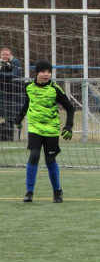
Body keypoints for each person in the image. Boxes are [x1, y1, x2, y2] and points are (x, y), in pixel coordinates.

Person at [15, 60, 75, 203]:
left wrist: (68, 126)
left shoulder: (55, 89)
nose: (46, 74)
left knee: (50, 160)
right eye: (43, 71)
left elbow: (70, 108)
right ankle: (29, 192)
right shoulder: (28, 86)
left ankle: (57, 191)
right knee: (34, 155)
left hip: (51, 129)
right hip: (34, 128)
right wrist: (19, 118)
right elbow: (28, 103)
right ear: (37, 73)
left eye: (49, 72)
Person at [1, 47, 23, 123]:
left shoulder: (16, 62)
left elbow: (15, 74)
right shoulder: (0, 63)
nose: (5, 56)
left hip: (16, 92)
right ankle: (8, 129)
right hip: (4, 92)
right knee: (7, 114)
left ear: (10, 55)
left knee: (15, 115)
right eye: (3, 54)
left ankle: (16, 130)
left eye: (7, 54)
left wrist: (1, 75)